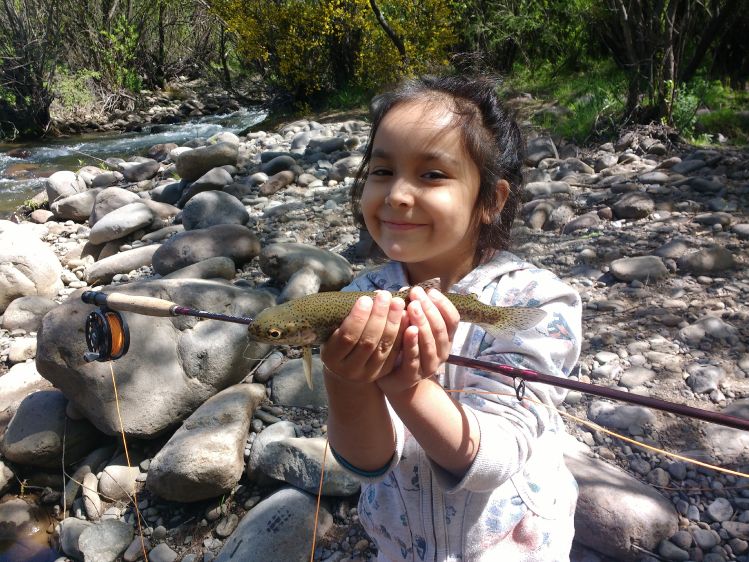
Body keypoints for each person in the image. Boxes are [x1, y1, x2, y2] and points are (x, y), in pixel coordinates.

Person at [319, 75, 582, 562]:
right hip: (400, 544)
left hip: (513, 545)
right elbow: (368, 461)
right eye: (381, 171)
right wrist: (345, 382)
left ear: (491, 201)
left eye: (431, 175)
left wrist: (407, 387)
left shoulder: (539, 301)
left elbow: (493, 461)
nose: (397, 194)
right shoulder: (360, 300)